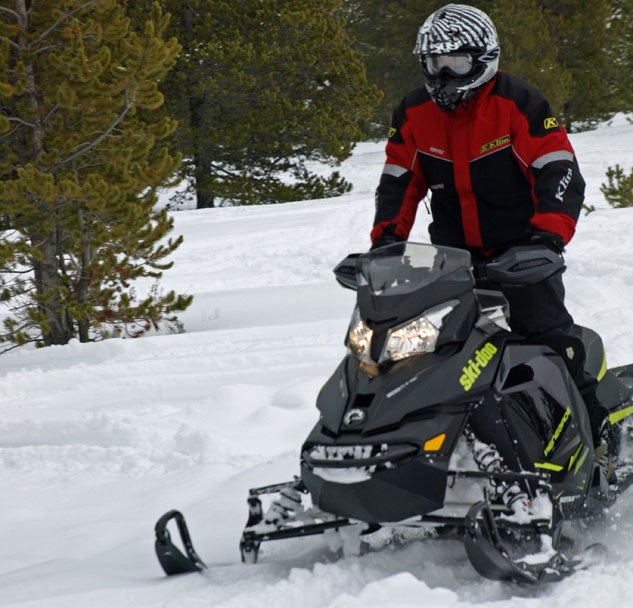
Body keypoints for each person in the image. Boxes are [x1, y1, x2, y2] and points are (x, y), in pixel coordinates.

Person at [370, 4, 609, 454]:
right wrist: (386, 240)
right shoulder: (415, 110)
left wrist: (547, 238)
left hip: (522, 256)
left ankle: (598, 444)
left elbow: (558, 170)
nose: (443, 76)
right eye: (434, 64)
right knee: (419, 354)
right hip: (453, 260)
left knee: (550, 340)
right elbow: (399, 179)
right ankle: (421, 450)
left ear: (483, 60)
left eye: (455, 64)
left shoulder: (519, 104)